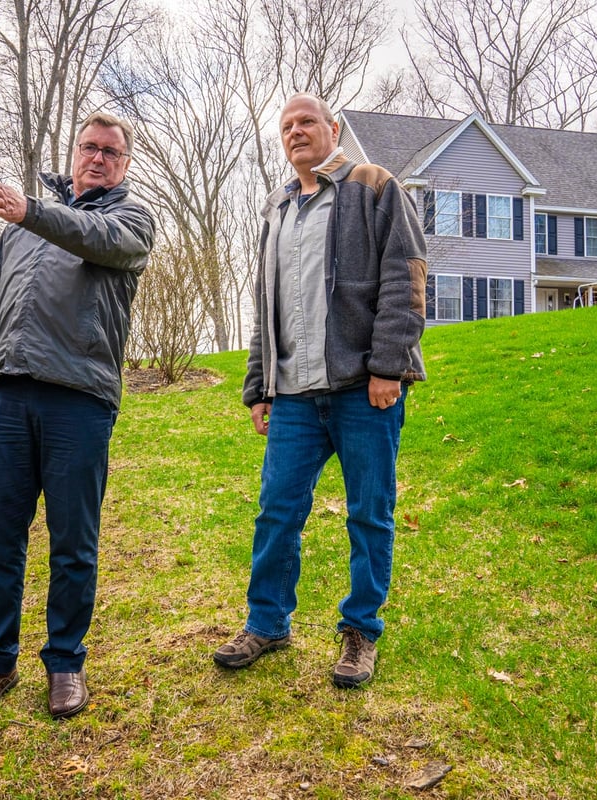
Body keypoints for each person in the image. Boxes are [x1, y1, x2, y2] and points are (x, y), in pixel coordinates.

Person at [213, 92, 428, 688]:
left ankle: (361, 631)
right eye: (286, 126)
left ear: (333, 129)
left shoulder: (374, 186)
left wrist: (389, 366)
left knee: (370, 515)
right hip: (294, 398)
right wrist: (259, 385)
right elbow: (267, 306)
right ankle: (267, 623)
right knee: (276, 512)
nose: (296, 132)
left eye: (307, 121)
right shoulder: (276, 210)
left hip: (365, 390)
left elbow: (405, 277)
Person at [0, 111, 154, 720]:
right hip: (11, 397)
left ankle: (65, 662)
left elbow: (99, 242)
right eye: (89, 148)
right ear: (74, 154)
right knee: (0, 538)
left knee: (73, 543)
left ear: (123, 165)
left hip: (81, 398)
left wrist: (31, 212)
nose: (97, 158)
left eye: (110, 153)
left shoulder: (130, 219)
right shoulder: (19, 230)